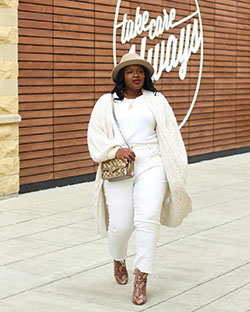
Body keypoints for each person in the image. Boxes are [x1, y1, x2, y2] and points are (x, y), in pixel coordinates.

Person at [87, 52, 192, 305]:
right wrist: (115, 150)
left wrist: (176, 167)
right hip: (119, 165)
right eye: (130, 71)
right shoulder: (106, 102)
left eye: (141, 71)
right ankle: (118, 257)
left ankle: (141, 276)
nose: (136, 75)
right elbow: (95, 134)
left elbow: (170, 134)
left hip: (153, 163)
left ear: (146, 75)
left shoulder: (157, 100)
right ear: (122, 75)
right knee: (120, 225)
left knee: (147, 219)